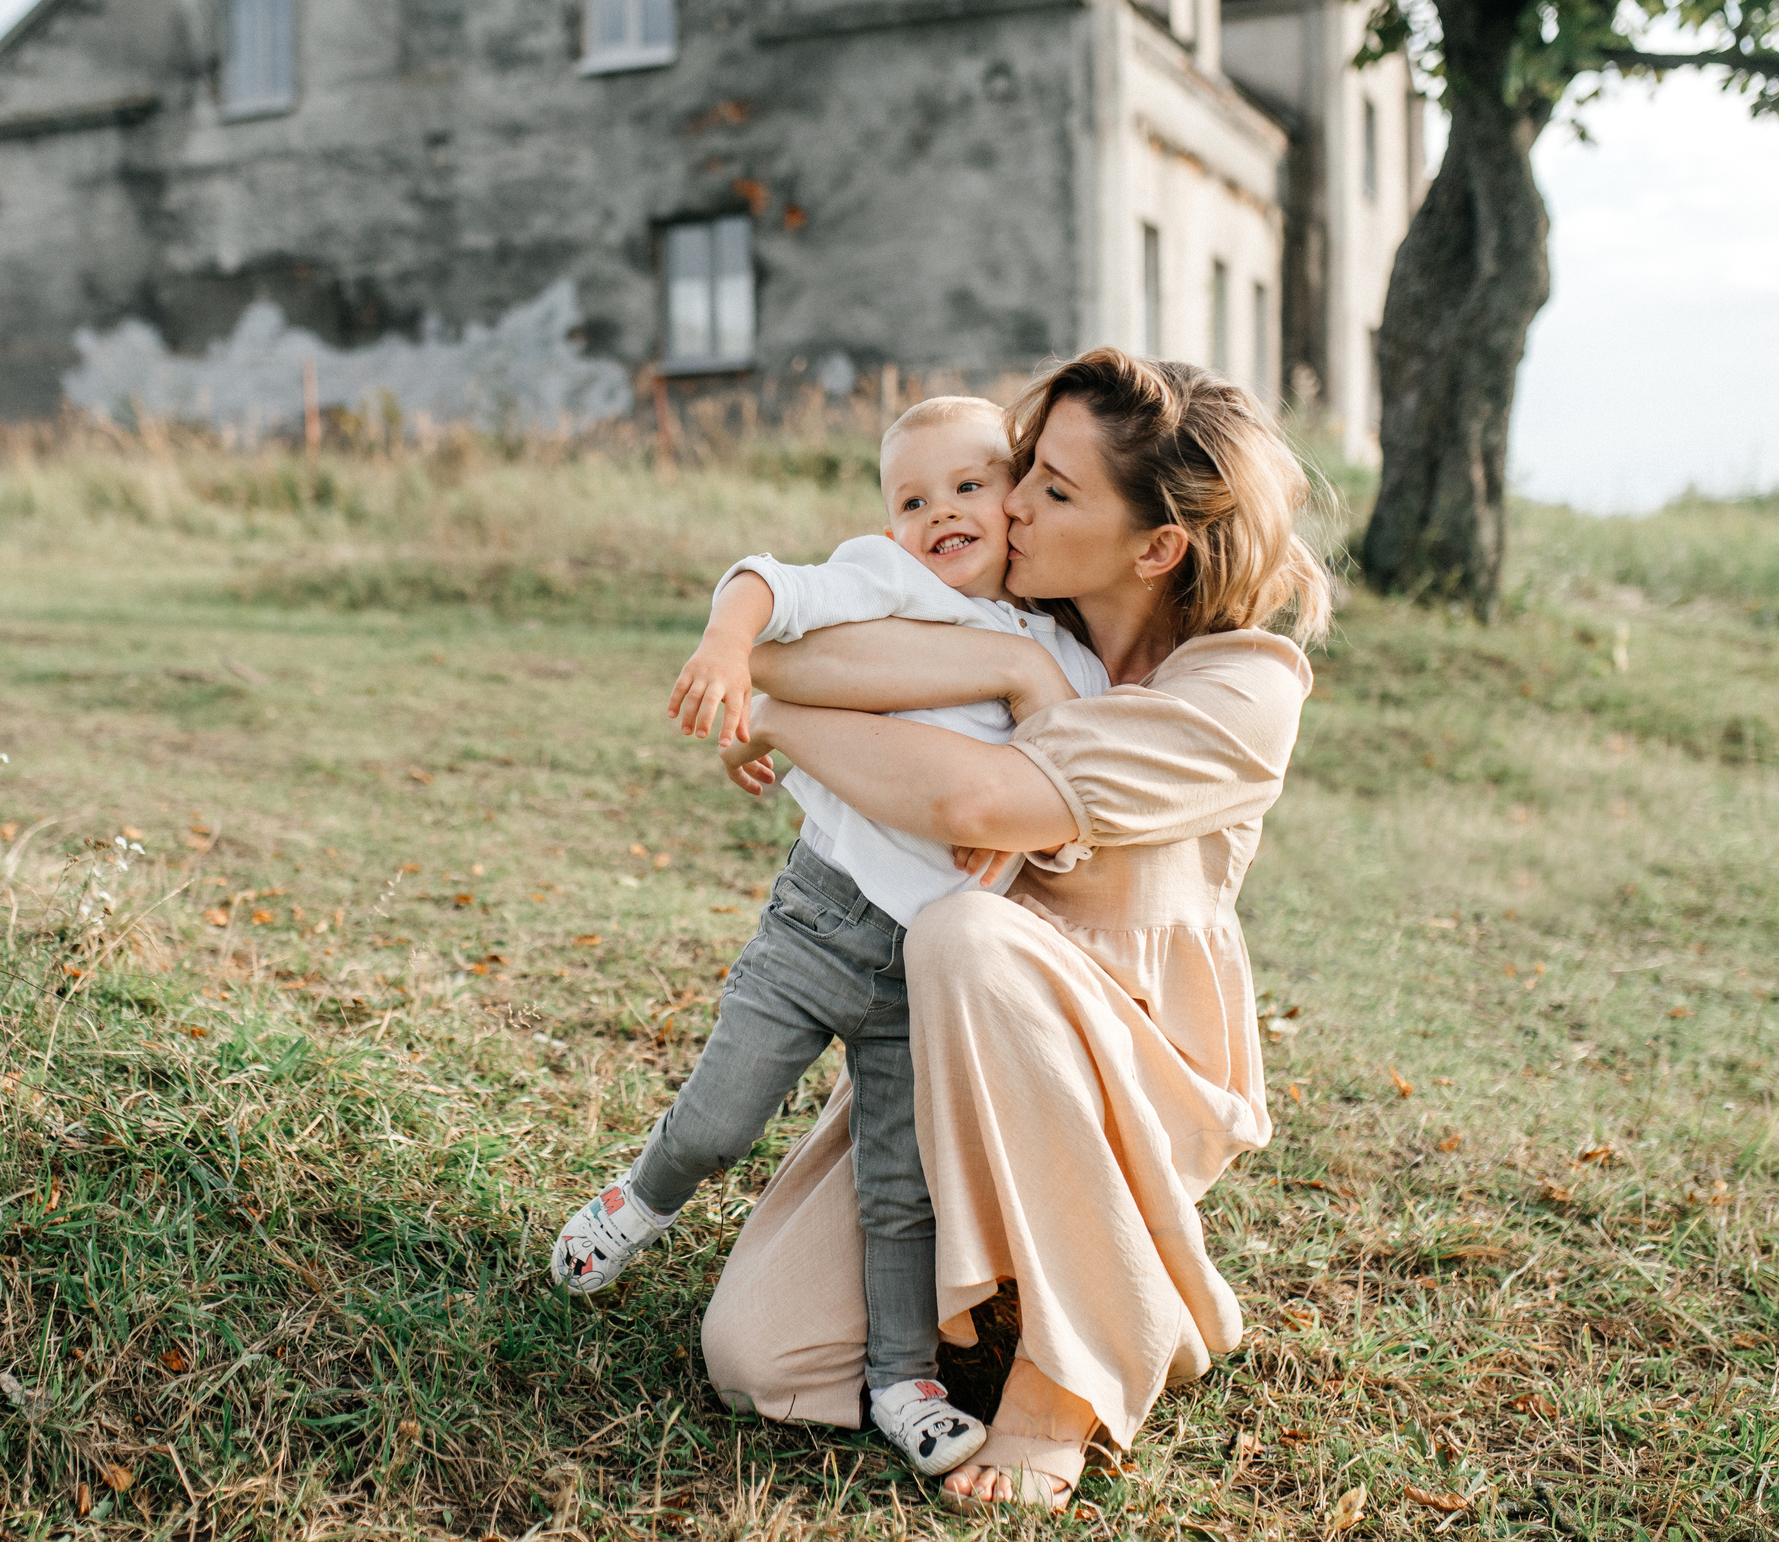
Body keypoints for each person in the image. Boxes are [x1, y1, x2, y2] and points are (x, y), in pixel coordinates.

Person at [700, 348, 1332, 1511]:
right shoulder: (1010, 617)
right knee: (762, 1354)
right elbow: (787, 648)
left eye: (1054, 488)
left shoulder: (1239, 690)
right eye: (1024, 468)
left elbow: (974, 802)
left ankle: (1073, 1366)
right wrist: (999, 660)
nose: (1010, 502)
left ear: (1156, 546)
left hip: (1116, 1074)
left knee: (964, 933)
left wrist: (786, 718)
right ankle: (999, 1291)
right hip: (938, 1052)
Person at [547, 397, 1106, 1478]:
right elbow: (769, 580)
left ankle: (903, 1381)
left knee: (902, 1192)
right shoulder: (891, 579)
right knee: (720, 1119)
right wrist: (728, 645)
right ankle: (639, 1198)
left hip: (926, 973)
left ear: (1017, 500)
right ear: (890, 521)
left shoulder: (1062, 653)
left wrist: (1020, 816)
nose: (941, 512)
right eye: (913, 498)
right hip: (819, 918)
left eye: (969, 485)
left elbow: (1068, 774)